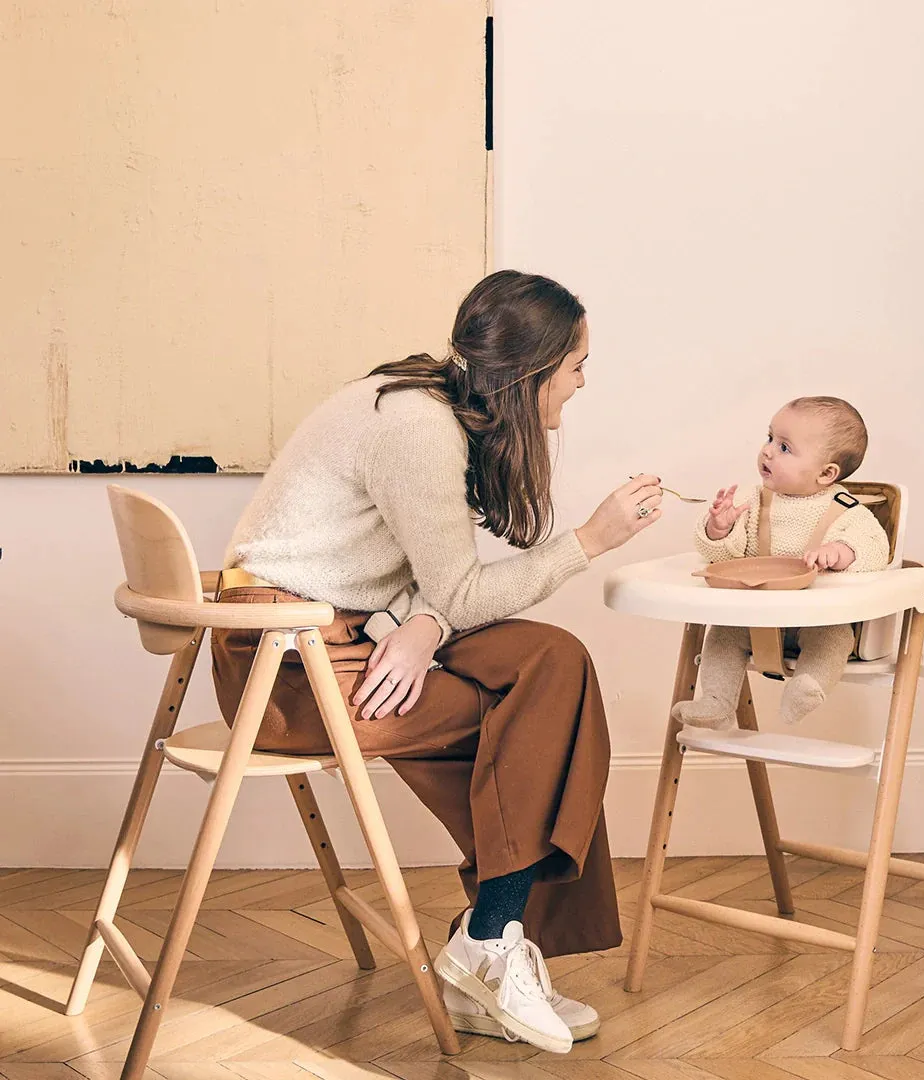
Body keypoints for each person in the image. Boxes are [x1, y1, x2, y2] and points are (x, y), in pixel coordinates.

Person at [211, 270, 663, 1054]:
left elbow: (433, 582)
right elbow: (456, 586)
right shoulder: (418, 428)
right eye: (578, 365)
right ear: (532, 372)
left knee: (553, 660)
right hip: (284, 669)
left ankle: (491, 939)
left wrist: (420, 621)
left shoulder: (428, 400)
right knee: (529, 716)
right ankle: (489, 938)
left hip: (345, 631)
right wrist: (589, 540)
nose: (584, 382)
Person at [675, 396, 889, 730]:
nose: (768, 451)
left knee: (834, 639)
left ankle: (807, 687)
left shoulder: (846, 510)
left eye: (785, 447)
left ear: (826, 473)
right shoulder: (752, 501)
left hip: (817, 620)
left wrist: (842, 550)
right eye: (769, 438)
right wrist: (720, 528)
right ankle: (716, 701)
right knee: (722, 633)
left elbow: (876, 549)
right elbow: (721, 557)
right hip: (754, 618)